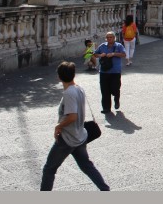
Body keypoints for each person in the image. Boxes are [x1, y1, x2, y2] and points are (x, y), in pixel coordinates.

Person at [40, 61, 110, 191]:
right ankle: (105, 189)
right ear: (73, 75)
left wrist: (58, 126)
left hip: (67, 139)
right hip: (80, 136)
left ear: (59, 76)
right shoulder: (78, 88)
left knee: (49, 169)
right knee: (87, 166)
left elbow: (72, 116)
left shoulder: (69, 93)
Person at [93, 32, 126, 114]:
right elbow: (95, 54)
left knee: (115, 88)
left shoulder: (119, 46)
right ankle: (106, 108)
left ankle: (116, 98)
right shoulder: (102, 46)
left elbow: (124, 54)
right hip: (104, 71)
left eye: (111, 37)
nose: (109, 39)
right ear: (106, 38)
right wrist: (101, 55)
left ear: (114, 38)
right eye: (108, 37)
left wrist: (114, 54)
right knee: (104, 90)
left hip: (115, 71)